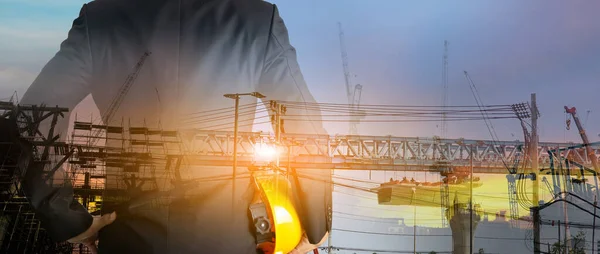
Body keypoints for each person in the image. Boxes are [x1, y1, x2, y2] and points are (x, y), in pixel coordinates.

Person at [19, 0, 331, 253]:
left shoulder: (100, 17)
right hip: (227, 239)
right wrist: (314, 225)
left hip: (129, 236)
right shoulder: (258, 19)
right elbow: (304, 126)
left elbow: (34, 117)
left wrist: (67, 218)